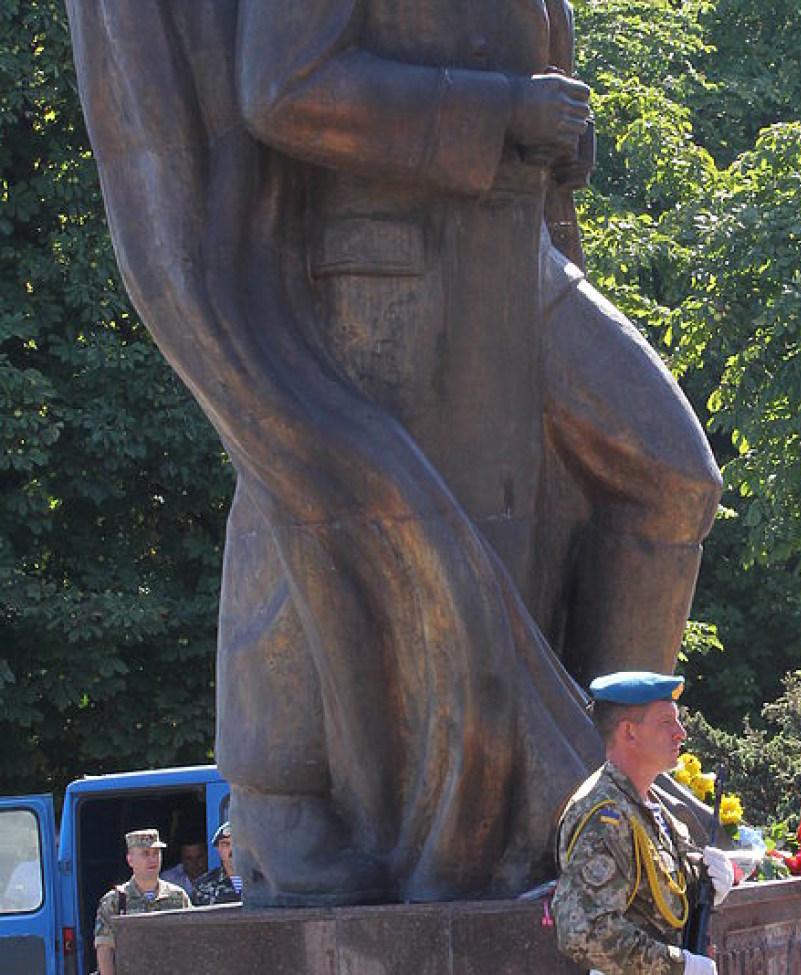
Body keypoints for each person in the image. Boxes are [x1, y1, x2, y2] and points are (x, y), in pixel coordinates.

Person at [66, 0, 720, 906]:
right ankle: (279, 796)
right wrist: (500, 112)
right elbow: (285, 90)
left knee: (671, 477)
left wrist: (557, 136)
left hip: (510, 250)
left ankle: (608, 782)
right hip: (378, 266)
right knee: (317, 490)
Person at [553, 672, 739, 975]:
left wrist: (704, 882)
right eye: (667, 723)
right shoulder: (605, 814)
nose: (681, 733)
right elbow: (584, 929)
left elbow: (654, 899)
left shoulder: (649, 805)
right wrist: (678, 966)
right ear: (629, 732)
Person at [94, 829, 192, 975]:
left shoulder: (178, 897)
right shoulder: (115, 901)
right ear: (130, 860)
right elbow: (104, 949)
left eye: (156, 853)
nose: (152, 859)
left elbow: (192, 941)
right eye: (145, 854)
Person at [192, 822, 242, 906]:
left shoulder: (265, 881)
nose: (232, 849)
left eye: (237, 843)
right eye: (225, 844)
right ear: (218, 848)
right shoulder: (202, 886)